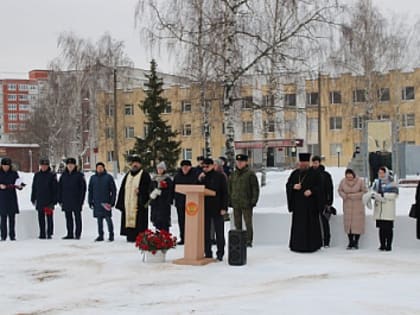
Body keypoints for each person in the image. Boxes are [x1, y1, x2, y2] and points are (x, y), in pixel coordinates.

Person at [286, 153, 322, 253]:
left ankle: (312, 246)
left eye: (305, 163)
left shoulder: (315, 174)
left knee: (311, 226)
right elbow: (288, 185)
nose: (303, 164)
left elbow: (320, 187)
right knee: (298, 227)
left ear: (308, 163)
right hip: (298, 207)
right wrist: (293, 186)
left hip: (310, 206)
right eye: (301, 163)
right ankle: (297, 245)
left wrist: (312, 191)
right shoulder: (295, 174)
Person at [116, 155, 151, 242]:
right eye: (133, 163)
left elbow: (149, 188)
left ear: (140, 164)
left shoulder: (144, 174)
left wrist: (141, 191)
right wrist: (120, 202)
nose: (135, 165)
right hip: (128, 203)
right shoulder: (128, 175)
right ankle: (130, 236)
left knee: (140, 220)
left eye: (137, 163)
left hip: (139, 203)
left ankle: (140, 237)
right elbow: (122, 189)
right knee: (128, 220)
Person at [199, 158, 228, 261]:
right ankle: (208, 252)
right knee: (206, 232)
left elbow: (225, 193)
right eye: (203, 167)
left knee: (219, 232)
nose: (205, 168)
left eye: (207, 166)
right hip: (205, 208)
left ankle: (220, 253)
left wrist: (224, 207)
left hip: (217, 207)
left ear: (212, 166)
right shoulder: (202, 177)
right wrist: (199, 180)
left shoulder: (220, 176)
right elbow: (196, 190)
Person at [228, 154, 259, 247]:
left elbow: (255, 189)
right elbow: (229, 188)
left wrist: (254, 201)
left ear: (246, 162)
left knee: (248, 223)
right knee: (237, 223)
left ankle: (248, 241)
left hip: (247, 202)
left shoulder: (250, 174)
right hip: (236, 202)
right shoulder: (233, 174)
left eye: (241, 162)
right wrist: (230, 200)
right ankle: (239, 240)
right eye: (238, 162)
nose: (239, 163)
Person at [338, 168, 367, 249]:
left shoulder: (360, 181)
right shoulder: (343, 181)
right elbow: (340, 190)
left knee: (357, 224)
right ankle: (350, 242)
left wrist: (353, 196)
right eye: (348, 177)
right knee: (349, 224)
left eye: (350, 177)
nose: (349, 178)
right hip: (347, 205)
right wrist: (344, 195)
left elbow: (364, 191)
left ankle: (356, 242)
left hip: (358, 205)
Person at [58, 157, 86, 240]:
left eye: (72, 165)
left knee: (77, 217)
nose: (70, 166)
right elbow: (60, 188)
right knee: (68, 218)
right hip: (66, 200)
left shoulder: (79, 175)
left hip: (76, 200)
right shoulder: (63, 175)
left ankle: (77, 234)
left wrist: (81, 200)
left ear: (75, 165)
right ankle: (69, 233)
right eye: (68, 165)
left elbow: (83, 189)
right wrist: (60, 199)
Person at [371, 166, 399, 251]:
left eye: (382, 173)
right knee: (381, 228)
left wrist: (384, 196)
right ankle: (382, 244)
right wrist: (374, 196)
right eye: (379, 173)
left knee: (388, 228)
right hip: (379, 209)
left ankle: (389, 245)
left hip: (388, 208)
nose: (381, 175)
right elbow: (372, 192)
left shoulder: (392, 183)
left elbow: (394, 195)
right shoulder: (376, 182)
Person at [88, 162, 117, 242]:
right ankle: (100, 235)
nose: (100, 169)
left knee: (108, 219)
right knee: (99, 220)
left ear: (104, 168)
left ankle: (111, 235)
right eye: (98, 168)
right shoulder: (93, 178)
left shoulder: (108, 177)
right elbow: (90, 190)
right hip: (97, 202)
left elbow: (113, 190)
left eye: (101, 167)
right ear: (96, 169)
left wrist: (112, 201)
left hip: (106, 202)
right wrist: (90, 201)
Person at [31, 158, 58, 239]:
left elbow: (55, 189)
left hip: (49, 200)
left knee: (49, 218)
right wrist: (33, 197)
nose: (44, 167)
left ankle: (49, 233)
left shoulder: (52, 175)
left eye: (45, 165)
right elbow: (34, 187)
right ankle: (42, 233)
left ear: (48, 166)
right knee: (41, 217)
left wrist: (54, 200)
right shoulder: (37, 175)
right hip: (40, 199)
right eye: (42, 165)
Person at [172, 159, 198, 245]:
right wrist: (173, 199)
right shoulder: (177, 176)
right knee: (181, 221)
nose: (185, 168)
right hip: (180, 202)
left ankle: (192, 238)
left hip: (192, 202)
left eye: (187, 167)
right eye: (183, 167)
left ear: (190, 167)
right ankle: (183, 237)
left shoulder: (195, 175)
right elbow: (174, 188)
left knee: (192, 222)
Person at [311, 155, 334, 247]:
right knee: (313, 222)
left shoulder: (325, 175)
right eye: (313, 163)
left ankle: (326, 241)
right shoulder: (309, 174)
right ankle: (315, 240)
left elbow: (330, 189)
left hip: (323, 202)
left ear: (319, 163)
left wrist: (329, 202)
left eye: (316, 163)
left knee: (324, 222)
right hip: (312, 202)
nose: (314, 165)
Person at [0, 158, 24, 241]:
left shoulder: (14, 173)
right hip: (2, 197)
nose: (6, 167)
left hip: (11, 197)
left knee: (12, 218)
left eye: (7, 165)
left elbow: (18, 183)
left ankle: (12, 235)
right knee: (3, 218)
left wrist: (20, 186)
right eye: (4, 165)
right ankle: (3, 235)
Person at [150, 161, 173, 232]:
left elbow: (170, 191)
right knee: (157, 221)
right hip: (156, 204)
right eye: (158, 168)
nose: (159, 170)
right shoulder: (154, 179)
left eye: (161, 168)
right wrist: (152, 194)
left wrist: (162, 192)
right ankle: (157, 237)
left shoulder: (167, 179)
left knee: (164, 221)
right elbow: (150, 188)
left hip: (164, 204)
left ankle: (165, 237)